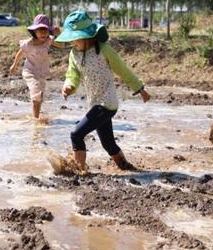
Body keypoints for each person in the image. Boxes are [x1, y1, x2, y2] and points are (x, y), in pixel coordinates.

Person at [54, 10, 150, 174]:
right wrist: (68, 86)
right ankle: (127, 168)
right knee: (108, 143)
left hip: (107, 103)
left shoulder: (103, 50)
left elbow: (122, 70)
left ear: (87, 36)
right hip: (94, 104)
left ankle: (79, 171)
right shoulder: (74, 54)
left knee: (76, 134)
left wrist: (139, 88)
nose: (72, 42)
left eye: (75, 38)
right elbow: (73, 75)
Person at [9, 14, 62, 119]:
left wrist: (58, 34)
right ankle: (36, 120)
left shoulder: (48, 40)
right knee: (36, 94)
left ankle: (36, 116)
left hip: (42, 72)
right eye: (40, 30)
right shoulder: (28, 44)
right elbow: (20, 54)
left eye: (46, 31)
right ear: (34, 32)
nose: (43, 33)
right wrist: (14, 65)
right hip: (30, 71)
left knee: (40, 97)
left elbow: (62, 45)